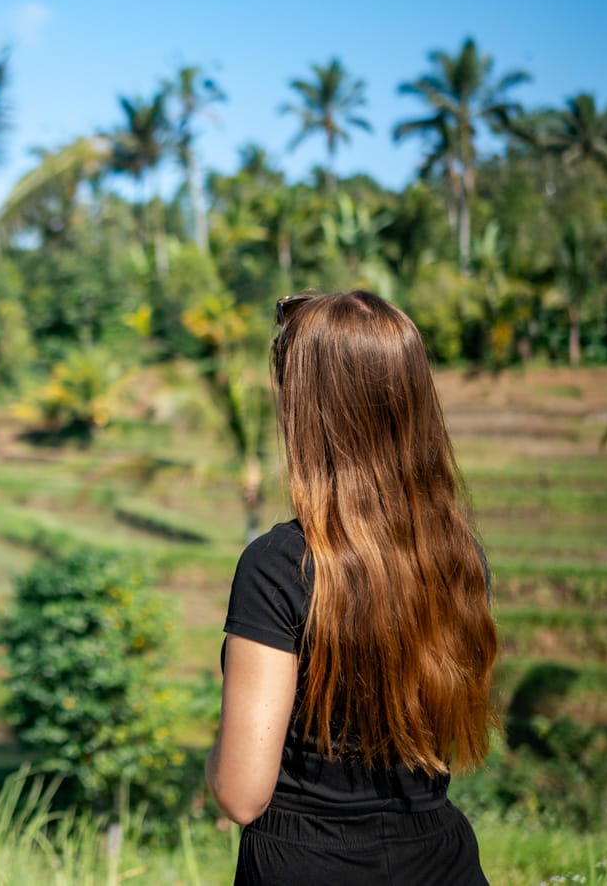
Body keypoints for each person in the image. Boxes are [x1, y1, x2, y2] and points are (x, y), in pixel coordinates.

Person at [205, 290, 497, 885]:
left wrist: (218, 753)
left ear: (309, 414)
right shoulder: (458, 556)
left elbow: (241, 794)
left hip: (309, 865)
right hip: (440, 859)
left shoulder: (277, 567)